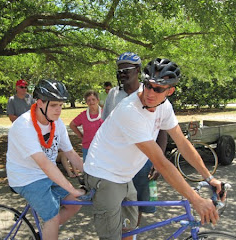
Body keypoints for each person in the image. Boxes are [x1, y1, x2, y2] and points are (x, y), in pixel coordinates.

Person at [84, 58, 223, 240]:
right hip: (104, 173)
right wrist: (195, 200)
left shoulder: (164, 107)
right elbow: (161, 163)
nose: (150, 92)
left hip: (124, 175)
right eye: (148, 85)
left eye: (158, 89)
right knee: (113, 237)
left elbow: (182, 143)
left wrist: (209, 177)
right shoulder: (130, 111)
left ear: (170, 91)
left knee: (130, 231)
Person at [6, 79, 85, 240]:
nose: (59, 110)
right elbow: (45, 164)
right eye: (54, 105)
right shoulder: (24, 126)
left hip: (46, 174)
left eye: (61, 105)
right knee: (52, 216)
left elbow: (71, 154)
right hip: (25, 178)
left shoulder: (57, 123)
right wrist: (72, 188)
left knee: (75, 203)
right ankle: (50, 229)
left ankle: (45, 233)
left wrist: (95, 175)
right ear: (40, 103)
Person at [102, 52, 167, 226]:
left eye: (126, 70)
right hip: (117, 161)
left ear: (138, 70)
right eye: (119, 70)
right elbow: (105, 127)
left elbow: (162, 130)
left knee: (138, 204)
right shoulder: (113, 95)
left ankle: (132, 234)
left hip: (144, 160)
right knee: (117, 204)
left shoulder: (150, 92)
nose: (122, 73)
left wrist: (158, 161)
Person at [70, 90, 103, 162]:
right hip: (87, 147)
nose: (91, 102)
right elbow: (72, 125)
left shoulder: (104, 113)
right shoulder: (83, 115)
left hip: (102, 147)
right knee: (88, 170)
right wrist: (81, 136)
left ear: (98, 100)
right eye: (89, 100)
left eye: (93, 99)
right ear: (86, 102)